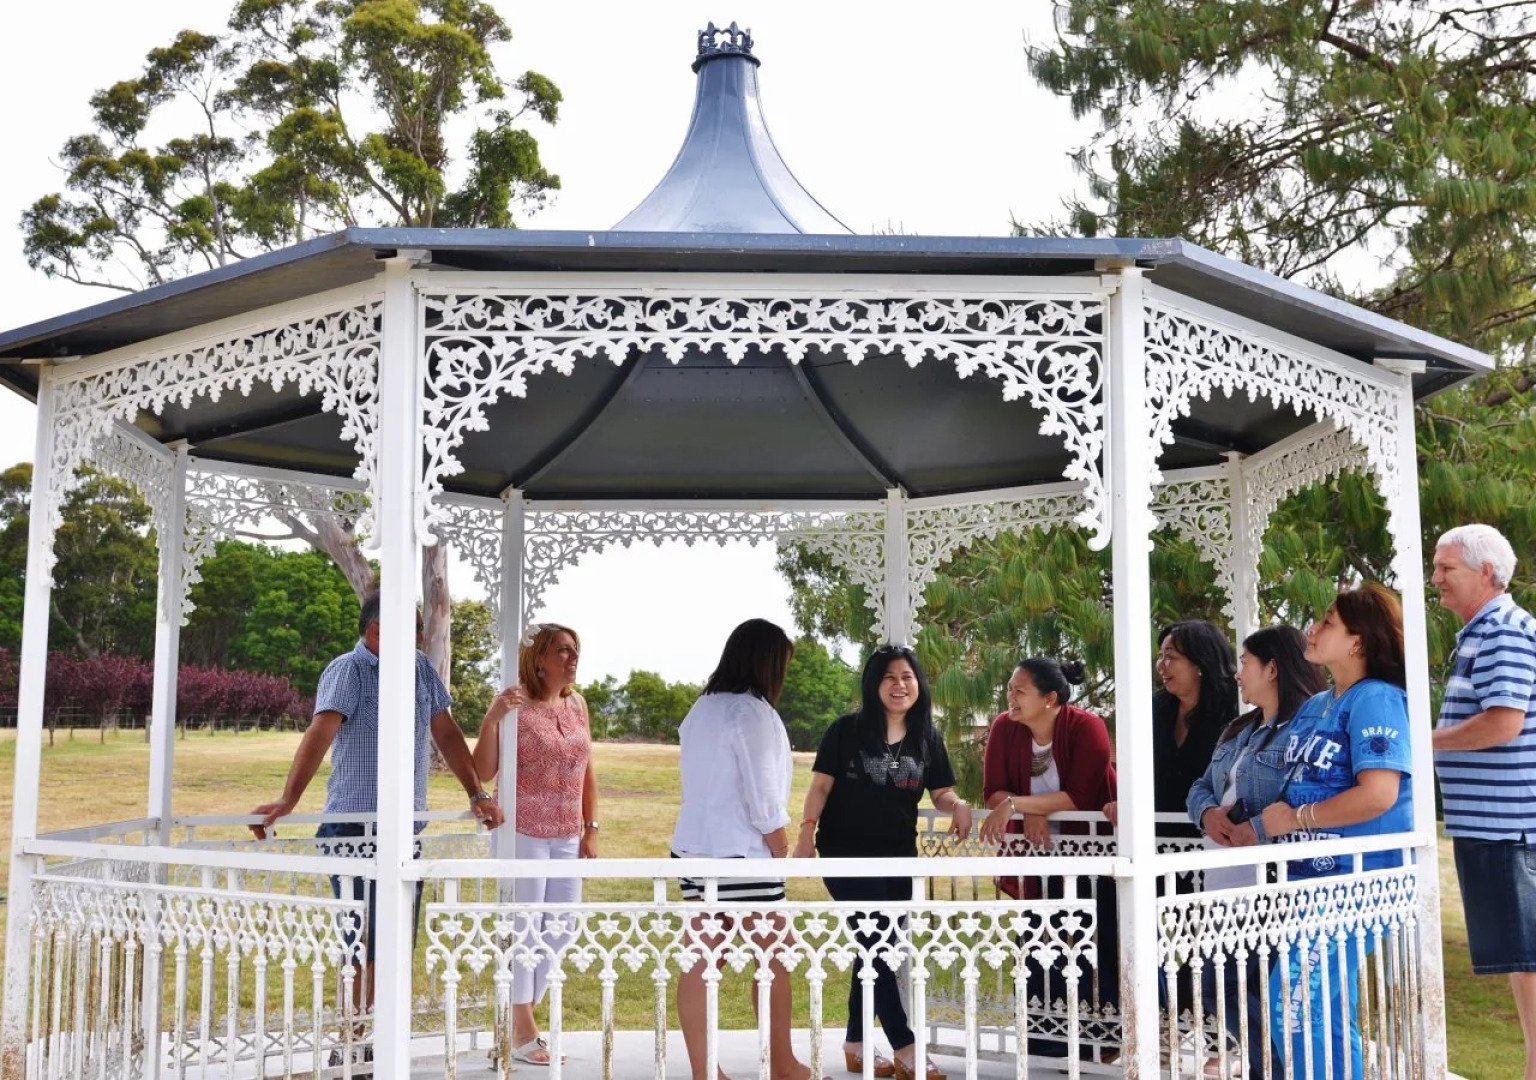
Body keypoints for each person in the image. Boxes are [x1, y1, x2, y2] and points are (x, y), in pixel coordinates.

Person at [251, 592, 503, 1031]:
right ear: (377, 630)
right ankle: (353, 1039)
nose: (422, 638)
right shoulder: (348, 670)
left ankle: (378, 1039)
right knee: (360, 943)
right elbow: (318, 734)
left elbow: (445, 732)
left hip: (405, 832)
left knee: (394, 943)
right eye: (415, 630)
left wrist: (476, 792)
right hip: (353, 828)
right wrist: (288, 800)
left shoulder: (421, 670)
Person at [792, 646, 972, 1080]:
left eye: (907, 676)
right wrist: (805, 832)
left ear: (919, 684)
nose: (899, 685)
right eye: (889, 677)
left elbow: (940, 791)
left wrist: (959, 804)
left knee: (877, 950)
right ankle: (906, 1046)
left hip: (898, 857)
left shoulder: (927, 736)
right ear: (874, 685)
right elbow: (820, 786)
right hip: (845, 854)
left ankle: (855, 1044)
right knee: (876, 945)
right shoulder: (846, 731)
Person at [1257, 584, 1413, 1080]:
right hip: (1310, 879)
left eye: (1327, 621)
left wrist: (1300, 819)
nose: (1313, 628)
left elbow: (1378, 794)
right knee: (1314, 1009)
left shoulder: (1378, 699)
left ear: (1357, 643)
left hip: (1357, 880)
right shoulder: (1317, 704)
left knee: (1296, 1004)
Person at [670, 619, 816, 1080]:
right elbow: (762, 794)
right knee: (776, 953)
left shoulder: (701, 708)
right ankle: (783, 1064)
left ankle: (704, 1071)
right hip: (741, 852)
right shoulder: (751, 712)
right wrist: (780, 845)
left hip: (694, 847)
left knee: (702, 953)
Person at [1184, 625, 1326, 1078]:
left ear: (1272, 667)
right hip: (1221, 876)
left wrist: (1257, 826)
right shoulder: (1238, 728)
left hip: (1271, 878)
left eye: (1244, 662)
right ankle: (1270, 1066)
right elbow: (1201, 786)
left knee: (1259, 986)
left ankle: (1278, 1069)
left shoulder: (1306, 726)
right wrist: (1208, 813)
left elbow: (1303, 796)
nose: (1237, 674)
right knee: (1212, 982)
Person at [1430, 524, 1536, 1080]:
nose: (1436, 578)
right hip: (1495, 823)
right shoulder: (1481, 631)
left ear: (1486, 572)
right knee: (1524, 961)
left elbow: (1503, 724)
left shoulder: (1502, 632)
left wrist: (1420, 742)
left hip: (1510, 823)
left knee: (1531, 960)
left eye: (1447, 568)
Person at [471, 622, 598, 1067]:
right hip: (522, 832)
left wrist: (591, 826)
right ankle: (522, 1028)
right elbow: (483, 770)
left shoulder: (578, 705)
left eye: (575, 649)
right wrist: (491, 717)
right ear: (540, 659)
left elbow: (587, 769)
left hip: (566, 834)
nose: (573, 657)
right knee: (524, 930)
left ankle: (514, 1012)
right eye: (563, 650)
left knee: (561, 929)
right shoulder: (514, 705)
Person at [977, 657, 1118, 1054]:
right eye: (1009, 690)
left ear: (1050, 698)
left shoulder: (1087, 726)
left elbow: (1082, 796)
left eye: (1019, 691)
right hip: (1036, 853)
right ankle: (1047, 1040)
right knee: (1040, 938)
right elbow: (993, 792)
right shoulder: (1005, 728)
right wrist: (1029, 809)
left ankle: (1106, 1037)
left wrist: (1025, 806)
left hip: (1093, 850)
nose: (1010, 698)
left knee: (1095, 938)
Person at [1103, 620, 1238, 831]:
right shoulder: (1154, 708)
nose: (1160, 665)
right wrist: (1127, 802)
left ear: (1200, 663)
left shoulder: (1236, 709)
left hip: (1215, 837)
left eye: (1170, 657)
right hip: (1159, 839)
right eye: (1160, 656)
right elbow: (1139, 772)